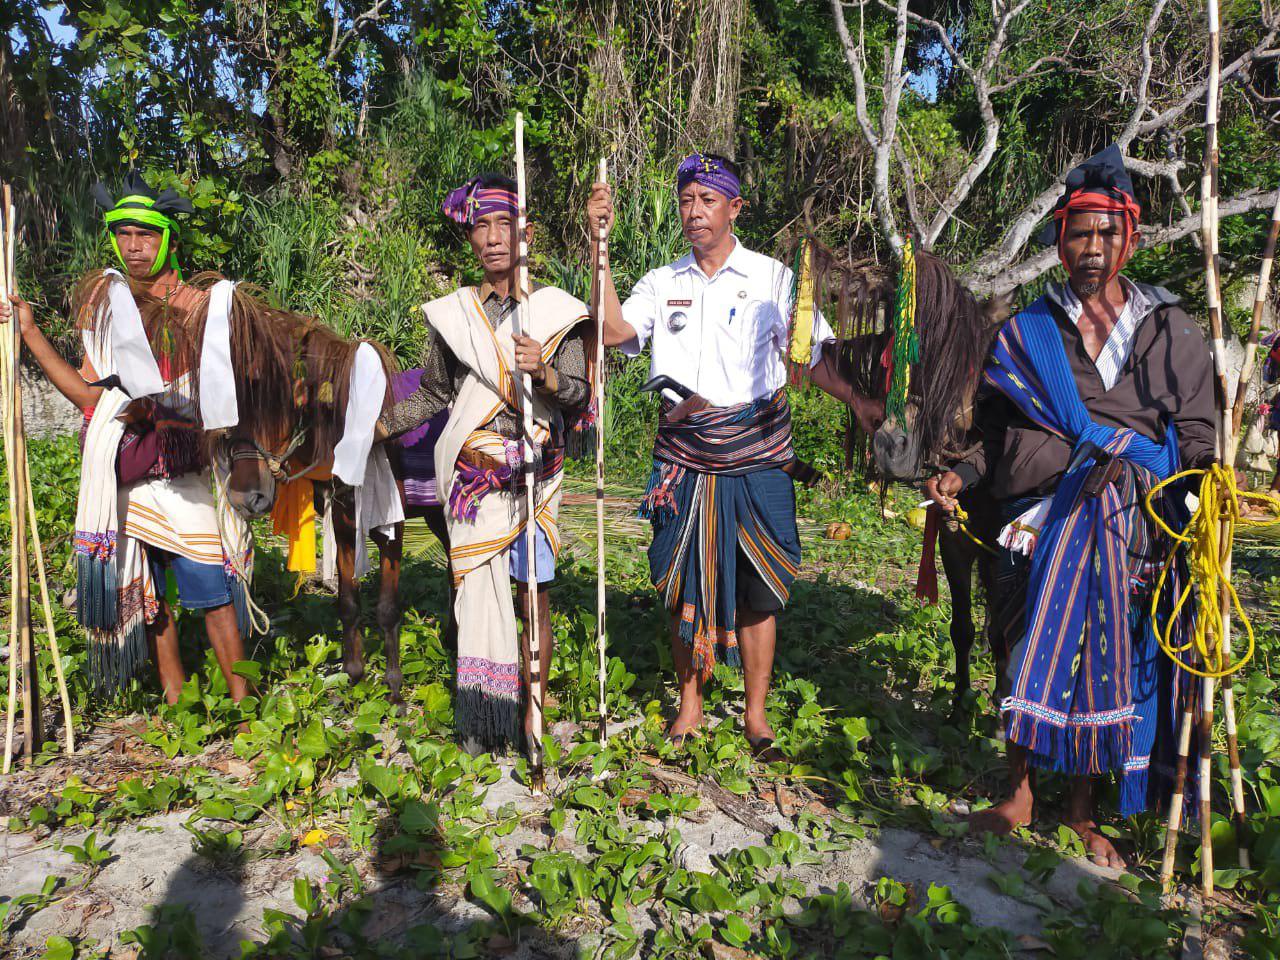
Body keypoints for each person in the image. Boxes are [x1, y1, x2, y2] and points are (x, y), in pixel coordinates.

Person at [923, 145, 1216, 867]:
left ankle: (1083, 808)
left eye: (1106, 232)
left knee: (1103, 654)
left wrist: (1202, 492)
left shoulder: (1168, 329)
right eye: (1079, 233)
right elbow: (993, 436)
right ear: (1059, 239)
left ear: (1131, 236)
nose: (1092, 248)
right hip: (1040, 515)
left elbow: (1199, 437)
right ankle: (1020, 789)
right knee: (1025, 641)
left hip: (1131, 523)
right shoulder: (1029, 332)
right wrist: (962, 473)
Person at [585, 152, 884, 757]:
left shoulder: (772, 279)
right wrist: (600, 251)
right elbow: (614, 331)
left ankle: (756, 714)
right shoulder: (662, 282)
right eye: (687, 200)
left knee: (760, 587)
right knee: (679, 582)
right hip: (683, 458)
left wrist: (860, 403)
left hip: (757, 454)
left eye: (708, 201)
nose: (694, 213)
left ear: (734, 208)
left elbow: (811, 356)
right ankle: (689, 706)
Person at [0, 171, 253, 704]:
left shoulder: (202, 306)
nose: (135, 248)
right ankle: (175, 699)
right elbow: (91, 397)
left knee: (212, 591)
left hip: (185, 474)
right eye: (124, 235)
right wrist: (29, 333)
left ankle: (247, 706)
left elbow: (229, 395)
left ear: (169, 240)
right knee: (151, 594)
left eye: (147, 235)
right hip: (126, 476)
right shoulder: (108, 310)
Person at [382, 173, 591, 753]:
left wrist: (544, 373)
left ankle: (533, 717)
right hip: (472, 474)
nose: (494, 237)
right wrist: (378, 430)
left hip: (532, 475)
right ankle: (483, 715)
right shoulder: (454, 317)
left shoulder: (555, 313)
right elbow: (432, 394)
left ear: (525, 233)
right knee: (474, 593)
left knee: (532, 594)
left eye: (505, 224)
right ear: (469, 238)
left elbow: (578, 393)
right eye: (482, 226)